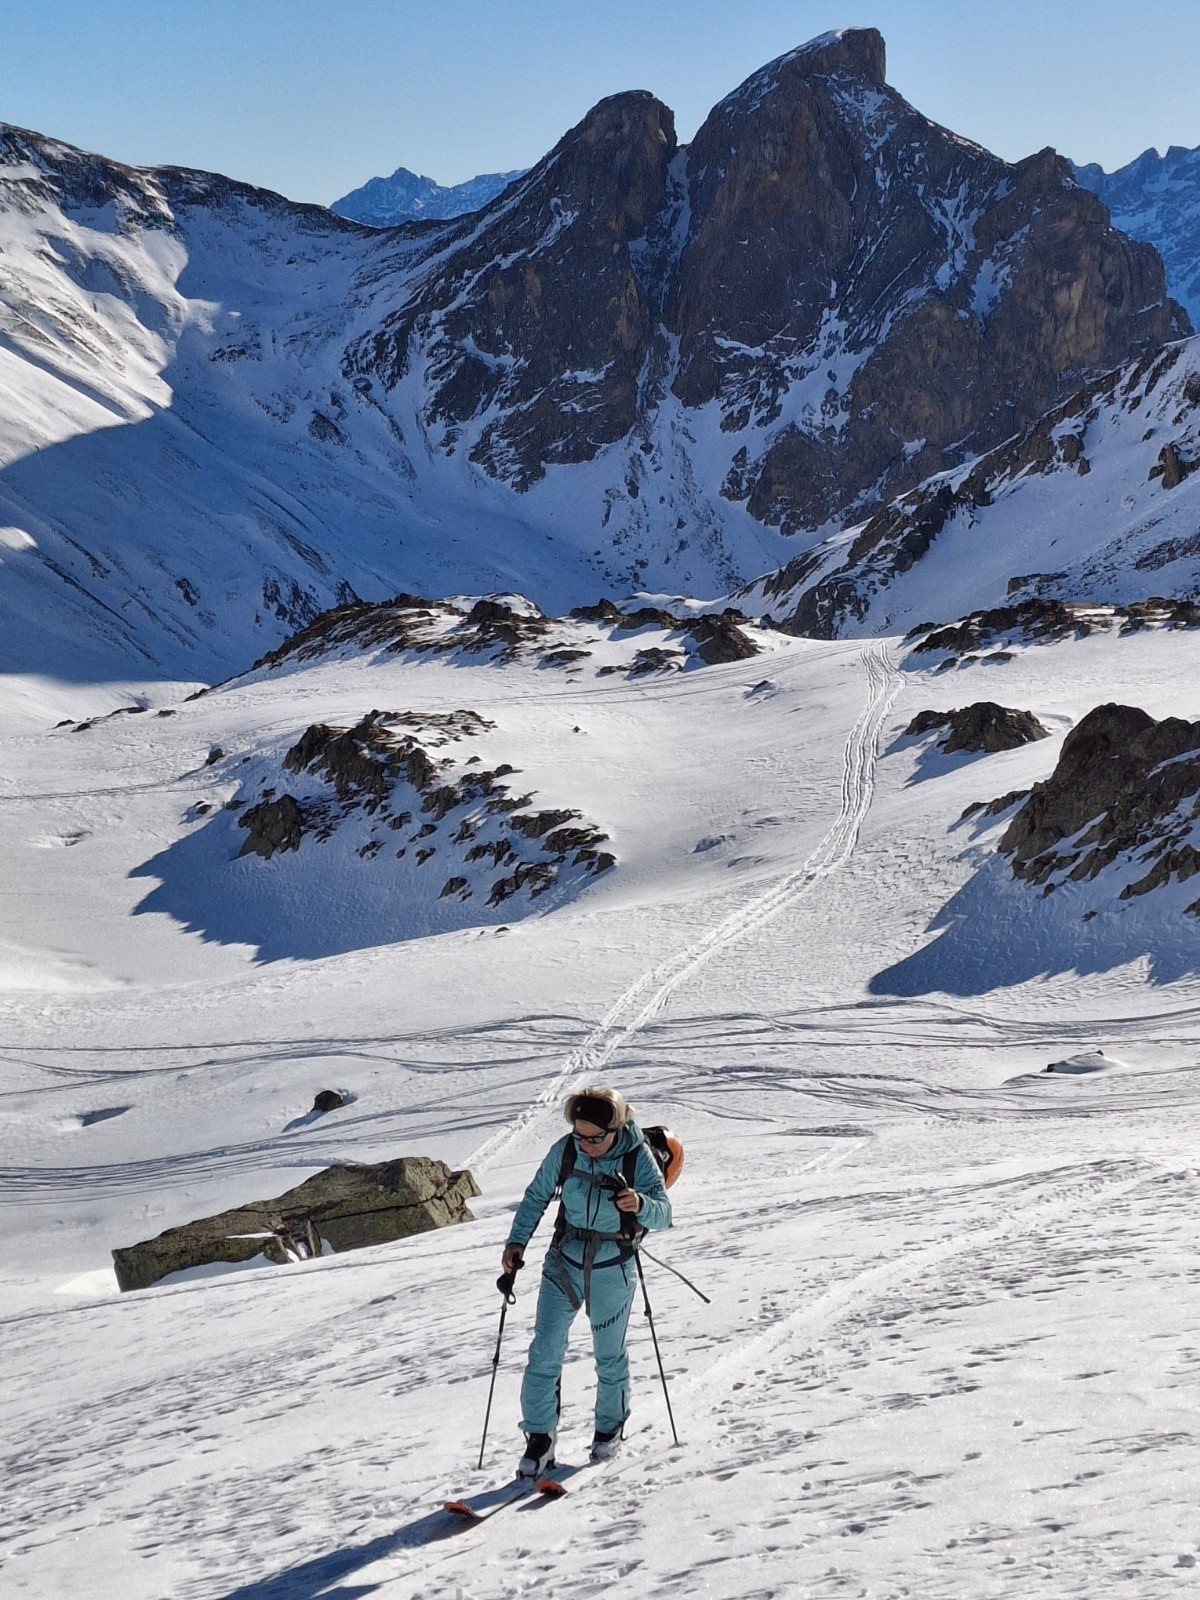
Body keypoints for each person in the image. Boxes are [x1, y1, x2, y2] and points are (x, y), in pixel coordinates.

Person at [501, 1085, 671, 1476]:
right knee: (544, 1352)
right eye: (580, 1135)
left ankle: (608, 1429)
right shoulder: (565, 1150)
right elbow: (536, 1196)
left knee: (608, 1355)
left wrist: (640, 1205)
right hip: (563, 1261)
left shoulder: (636, 1157)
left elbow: (664, 1213)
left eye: (595, 1138)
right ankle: (540, 1440)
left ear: (615, 1129)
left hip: (613, 1266)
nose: (586, 1144)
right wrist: (516, 1242)